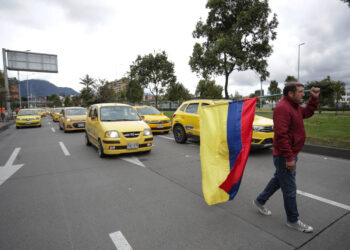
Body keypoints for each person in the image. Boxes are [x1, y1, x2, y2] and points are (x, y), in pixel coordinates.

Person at [253, 82, 320, 233]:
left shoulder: (294, 106)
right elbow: (281, 136)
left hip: (290, 153)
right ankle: (293, 220)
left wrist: (314, 99)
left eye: (304, 92)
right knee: (290, 189)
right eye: (301, 92)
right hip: (285, 155)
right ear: (291, 93)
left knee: (278, 180)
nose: (304, 94)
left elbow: (307, 113)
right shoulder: (283, 108)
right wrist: (289, 158)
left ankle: (259, 201)